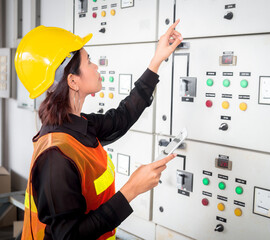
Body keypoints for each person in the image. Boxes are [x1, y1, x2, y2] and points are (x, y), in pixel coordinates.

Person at [15, 19, 183, 240]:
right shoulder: (55, 157)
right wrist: (132, 189)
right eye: (89, 61)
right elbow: (69, 236)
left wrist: (156, 60)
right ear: (73, 81)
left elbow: (121, 118)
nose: (96, 66)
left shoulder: (75, 125)